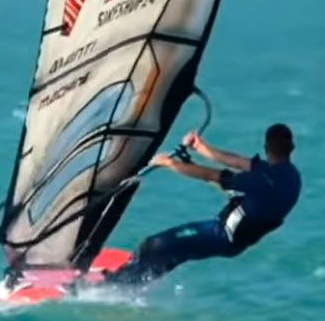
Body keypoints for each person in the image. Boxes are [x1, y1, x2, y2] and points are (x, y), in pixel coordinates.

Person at [107, 122, 302, 286]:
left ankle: (115, 284)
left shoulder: (260, 180)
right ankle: (135, 282)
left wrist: (169, 163)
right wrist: (201, 147)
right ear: (290, 148)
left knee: (154, 245)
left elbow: (209, 174)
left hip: (221, 235)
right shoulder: (292, 177)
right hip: (238, 239)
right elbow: (236, 161)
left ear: (266, 147)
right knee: (175, 253)